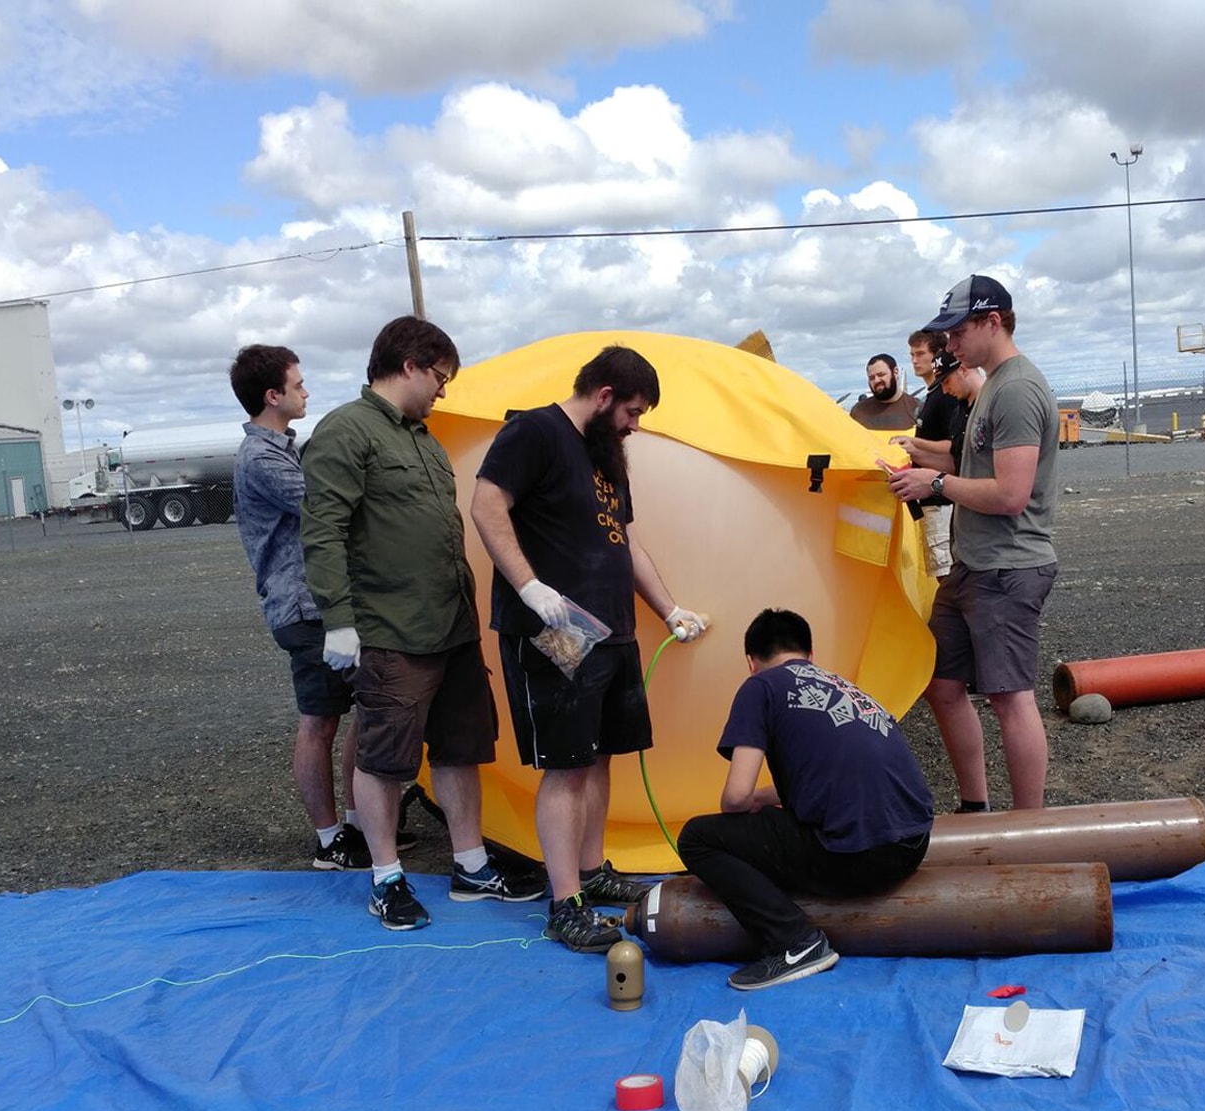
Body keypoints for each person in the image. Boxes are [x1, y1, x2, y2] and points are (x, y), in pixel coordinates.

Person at [301, 316, 542, 931]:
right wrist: (338, 622)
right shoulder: (344, 432)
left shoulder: (424, 439)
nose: (443, 390)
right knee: (384, 758)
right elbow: (322, 530)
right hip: (390, 630)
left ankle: (470, 864)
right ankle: (385, 877)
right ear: (408, 363)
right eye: (439, 377)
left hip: (452, 626)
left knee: (463, 747)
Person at [470, 345, 709, 954]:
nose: (636, 424)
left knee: (600, 757)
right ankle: (564, 903)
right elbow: (486, 504)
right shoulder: (534, 432)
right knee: (568, 764)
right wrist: (528, 585)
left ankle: (593, 869)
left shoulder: (607, 454)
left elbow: (623, 540)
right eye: (632, 411)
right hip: (556, 632)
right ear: (604, 396)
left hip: (612, 632)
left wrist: (669, 608)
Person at [676, 609, 934, 991]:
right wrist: (762, 802)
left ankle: (794, 942)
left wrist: (748, 805)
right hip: (914, 844)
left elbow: (735, 797)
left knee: (698, 837)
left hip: (861, 858)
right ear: (810, 655)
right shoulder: (841, 685)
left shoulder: (760, 687)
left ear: (751, 662)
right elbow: (822, 777)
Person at [887, 275, 1059, 812]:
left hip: (1007, 568)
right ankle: (975, 807)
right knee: (942, 685)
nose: (948, 345)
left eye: (957, 332)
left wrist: (934, 485)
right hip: (972, 568)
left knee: (1010, 697)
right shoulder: (990, 387)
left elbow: (1010, 493)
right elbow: (970, 463)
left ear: (993, 322)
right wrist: (914, 451)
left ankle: (1029, 826)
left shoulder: (1017, 390)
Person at [230, 344, 367, 871]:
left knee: (366, 710)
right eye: (299, 384)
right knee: (320, 721)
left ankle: (357, 824)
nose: (306, 391)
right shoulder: (263, 458)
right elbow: (326, 505)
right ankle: (330, 840)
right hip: (303, 608)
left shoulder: (285, 448)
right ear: (273, 395)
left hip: (322, 604)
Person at [890, 349, 984, 578]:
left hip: (987, 537)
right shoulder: (962, 410)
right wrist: (913, 451)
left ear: (963, 369)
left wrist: (934, 482)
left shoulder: (990, 409)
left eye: (946, 381)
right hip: (964, 526)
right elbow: (956, 459)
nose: (944, 389)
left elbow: (1006, 490)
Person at [848, 353, 918, 430]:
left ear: (895, 372)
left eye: (881, 375)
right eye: (871, 378)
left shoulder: (919, 409)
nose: (876, 380)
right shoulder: (858, 412)